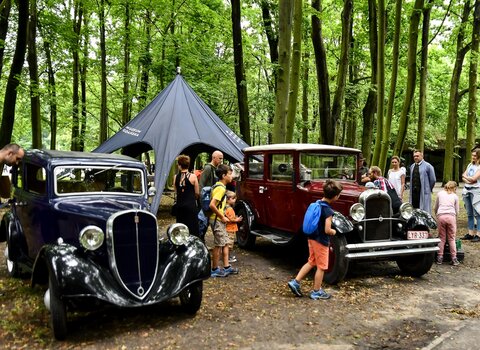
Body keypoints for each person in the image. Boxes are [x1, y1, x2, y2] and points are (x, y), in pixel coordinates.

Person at [287, 179, 343, 300]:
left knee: (311, 261)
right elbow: (327, 230)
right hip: (321, 241)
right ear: (336, 196)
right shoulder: (328, 211)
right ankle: (316, 291)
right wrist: (334, 231)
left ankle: (295, 282)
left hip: (311, 238)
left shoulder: (317, 203)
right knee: (321, 267)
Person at [209, 164, 239, 277]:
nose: (231, 176)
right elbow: (212, 205)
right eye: (230, 174)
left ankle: (226, 267)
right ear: (223, 175)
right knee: (218, 245)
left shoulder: (219, 186)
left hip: (219, 220)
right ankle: (214, 269)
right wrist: (222, 217)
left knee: (225, 242)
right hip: (217, 220)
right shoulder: (220, 189)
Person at [173, 155, 200, 237]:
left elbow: (176, 191)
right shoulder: (193, 176)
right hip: (191, 205)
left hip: (180, 205)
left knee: (181, 226)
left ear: (179, 165)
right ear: (188, 165)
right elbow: (197, 192)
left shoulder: (175, 177)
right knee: (192, 227)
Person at [434, 181, 460, 266]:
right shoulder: (455, 196)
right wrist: (455, 218)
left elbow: (436, 207)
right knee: (451, 239)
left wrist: (437, 214)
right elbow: (457, 211)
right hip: (451, 217)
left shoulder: (440, 194)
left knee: (442, 238)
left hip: (441, 216)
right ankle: (454, 258)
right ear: (454, 188)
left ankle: (440, 258)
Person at [461, 148, 480, 241]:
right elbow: (463, 176)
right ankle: (470, 233)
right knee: (469, 213)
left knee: (477, 213)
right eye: (472, 155)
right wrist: (469, 179)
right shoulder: (469, 165)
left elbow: (474, 179)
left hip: (476, 191)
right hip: (467, 190)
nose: (473, 157)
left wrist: (469, 179)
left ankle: (478, 234)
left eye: (475, 156)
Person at [224, 190, 242, 263]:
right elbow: (231, 219)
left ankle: (227, 256)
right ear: (228, 199)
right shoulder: (230, 209)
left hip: (228, 228)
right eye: (233, 198)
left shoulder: (225, 207)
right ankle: (227, 258)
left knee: (228, 244)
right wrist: (237, 219)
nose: (235, 200)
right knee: (229, 245)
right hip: (230, 229)